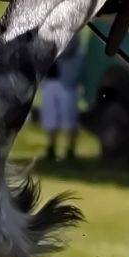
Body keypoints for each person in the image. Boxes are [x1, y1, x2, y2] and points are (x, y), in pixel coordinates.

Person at [38, 29, 85, 161]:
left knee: (69, 118)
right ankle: (51, 147)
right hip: (50, 80)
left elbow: (67, 50)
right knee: (50, 117)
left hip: (66, 80)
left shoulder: (72, 32)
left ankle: (70, 149)